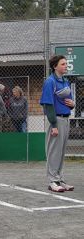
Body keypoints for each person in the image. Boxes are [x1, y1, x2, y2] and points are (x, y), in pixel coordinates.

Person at [40, 55, 75, 193]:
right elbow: (48, 105)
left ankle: (60, 178)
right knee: (54, 151)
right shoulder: (50, 82)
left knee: (61, 152)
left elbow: (70, 102)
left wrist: (73, 105)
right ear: (55, 66)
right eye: (63, 64)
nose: (66, 66)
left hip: (66, 119)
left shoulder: (65, 81)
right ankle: (53, 181)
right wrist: (53, 125)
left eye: (66, 63)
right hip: (56, 120)